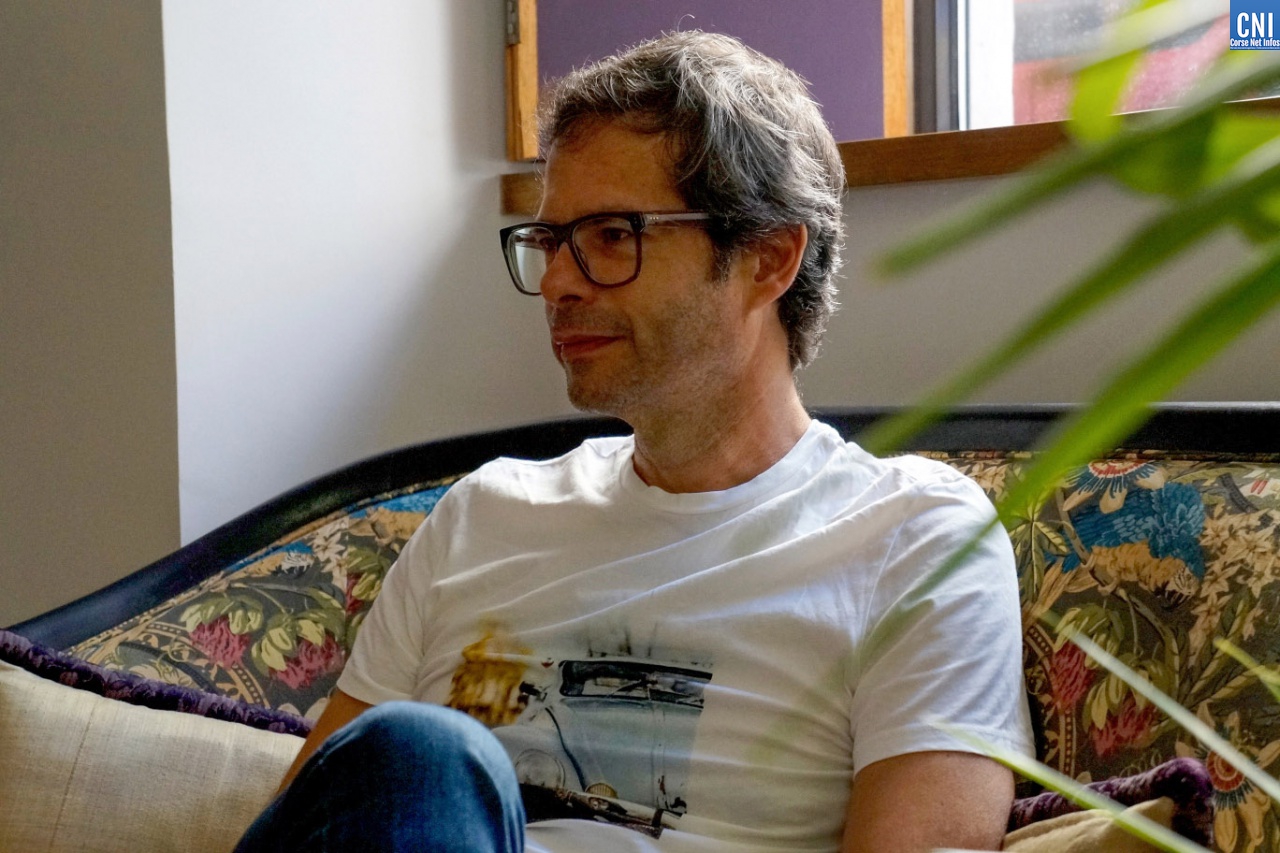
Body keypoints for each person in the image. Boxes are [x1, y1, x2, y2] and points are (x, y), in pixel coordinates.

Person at [235, 30, 1033, 853]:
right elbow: (315, 822)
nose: (557, 281)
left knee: (421, 754)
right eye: (550, 241)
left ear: (768, 257)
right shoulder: (482, 516)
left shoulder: (916, 539)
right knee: (414, 759)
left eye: (612, 235)